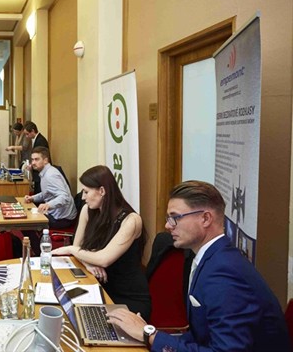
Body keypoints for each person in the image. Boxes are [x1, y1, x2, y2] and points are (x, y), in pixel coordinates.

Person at [106, 180, 290, 351]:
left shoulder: (224, 273)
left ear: (205, 219)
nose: (168, 225)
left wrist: (149, 334)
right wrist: (144, 333)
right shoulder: (212, 257)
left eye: (175, 217)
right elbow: (202, 336)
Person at [52, 165, 151, 320]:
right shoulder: (87, 210)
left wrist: (71, 250)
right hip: (98, 285)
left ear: (102, 191)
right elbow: (80, 250)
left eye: (86, 192)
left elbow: (103, 259)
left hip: (126, 295)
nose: (83, 197)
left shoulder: (131, 220)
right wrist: (88, 263)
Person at [23, 146, 76, 254]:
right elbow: (46, 193)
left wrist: (48, 205)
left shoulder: (51, 175)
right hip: (56, 214)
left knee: (26, 224)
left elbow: (64, 196)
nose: (33, 163)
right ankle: (38, 249)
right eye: (32, 159)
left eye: (37, 159)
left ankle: (40, 253)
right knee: (27, 219)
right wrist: (33, 198)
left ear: (46, 160)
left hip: (62, 218)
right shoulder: (46, 172)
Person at [23, 121, 49, 194]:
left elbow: (41, 158)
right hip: (38, 173)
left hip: (41, 173)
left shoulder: (40, 140)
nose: (26, 136)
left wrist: (32, 165)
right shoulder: (37, 139)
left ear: (33, 131)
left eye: (27, 134)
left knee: (40, 192)